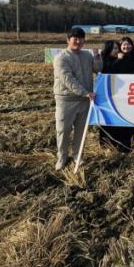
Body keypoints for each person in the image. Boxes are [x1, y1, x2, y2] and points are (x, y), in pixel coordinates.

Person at [52, 27, 102, 170]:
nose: (78, 41)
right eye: (75, 38)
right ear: (68, 40)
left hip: (84, 100)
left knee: (81, 130)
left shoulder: (87, 55)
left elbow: (98, 69)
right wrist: (85, 92)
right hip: (66, 100)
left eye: (81, 39)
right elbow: (67, 80)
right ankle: (62, 157)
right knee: (63, 130)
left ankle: (77, 156)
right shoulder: (61, 58)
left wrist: (97, 57)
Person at [99, 37, 134, 152]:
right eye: (115, 48)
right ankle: (109, 147)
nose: (117, 50)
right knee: (111, 123)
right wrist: (119, 60)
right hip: (111, 97)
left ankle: (126, 147)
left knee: (126, 123)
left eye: (117, 48)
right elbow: (107, 73)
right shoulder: (106, 60)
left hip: (129, 97)